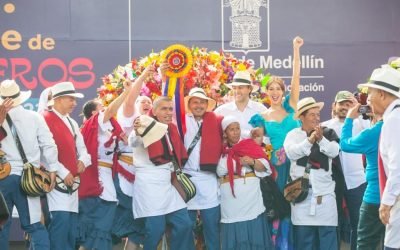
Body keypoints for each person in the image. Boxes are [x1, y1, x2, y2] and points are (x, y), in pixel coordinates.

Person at [249, 36, 303, 249]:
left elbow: (296, 76)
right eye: (270, 89)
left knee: (297, 207)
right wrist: (271, 153)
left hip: (297, 164)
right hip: (277, 169)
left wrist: (296, 49)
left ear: (283, 91)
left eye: (278, 89)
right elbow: (259, 145)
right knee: (279, 208)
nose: (274, 92)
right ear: (266, 93)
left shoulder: (292, 106)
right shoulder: (262, 117)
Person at [0, 79, 62, 250]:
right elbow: (49, 145)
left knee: (1, 227)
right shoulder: (34, 117)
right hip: (28, 177)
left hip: (3, 177)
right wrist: (53, 170)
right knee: (34, 226)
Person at [129, 97, 194, 250]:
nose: (168, 112)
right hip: (149, 185)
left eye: (171, 109)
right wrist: (137, 132)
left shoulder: (170, 129)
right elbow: (133, 142)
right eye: (164, 109)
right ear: (155, 111)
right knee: (155, 230)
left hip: (167, 184)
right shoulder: (145, 124)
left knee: (184, 224)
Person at [78, 79, 134, 250]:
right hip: (97, 183)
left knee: (97, 229)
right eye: (101, 107)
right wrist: (126, 93)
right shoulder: (94, 123)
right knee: (99, 227)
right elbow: (111, 110)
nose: (106, 110)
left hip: (105, 179)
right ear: (94, 113)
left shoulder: (105, 130)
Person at [284, 97, 340, 250]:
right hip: (301, 199)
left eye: (318, 114)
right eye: (312, 114)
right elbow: (291, 153)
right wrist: (309, 141)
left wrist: (321, 139)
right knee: (304, 244)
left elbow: (334, 151)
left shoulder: (327, 133)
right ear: (302, 117)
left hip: (325, 198)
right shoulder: (292, 135)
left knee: (328, 244)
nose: (316, 118)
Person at [42, 81, 91, 250]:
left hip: (72, 183)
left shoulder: (72, 122)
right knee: (60, 225)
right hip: (54, 181)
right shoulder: (44, 118)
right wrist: (64, 172)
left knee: (70, 228)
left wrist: (83, 161)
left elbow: (84, 150)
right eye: (71, 99)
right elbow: (45, 153)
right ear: (58, 99)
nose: (74, 103)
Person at [112, 65, 155, 250]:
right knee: (115, 224)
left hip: (145, 178)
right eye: (142, 100)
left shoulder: (157, 123)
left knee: (138, 227)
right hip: (125, 175)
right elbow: (129, 101)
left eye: (149, 101)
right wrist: (144, 76)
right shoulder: (129, 116)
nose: (146, 103)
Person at [358, 65, 400, 249]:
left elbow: (397, 166)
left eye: (371, 93)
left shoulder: (394, 120)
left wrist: (386, 202)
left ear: (382, 94)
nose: (368, 99)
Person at [217, 115, 273, 250]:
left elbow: (266, 167)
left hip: (251, 198)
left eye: (238, 128)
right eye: (231, 129)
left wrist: (252, 162)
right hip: (231, 202)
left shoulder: (249, 145)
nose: (236, 132)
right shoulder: (220, 150)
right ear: (225, 133)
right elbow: (218, 171)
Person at [322, 90, 369, 250]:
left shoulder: (361, 124)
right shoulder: (325, 127)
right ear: (334, 106)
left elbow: (372, 128)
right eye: (342, 104)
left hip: (357, 182)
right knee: (333, 223)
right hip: (332, 183)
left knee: (359, 223)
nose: (345, 107)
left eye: (349, 104)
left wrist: (358, 110)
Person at [339, 101, 385, 249]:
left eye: (370, 101)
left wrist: (350, 118)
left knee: (365, 244)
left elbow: (345, 144)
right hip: (394, 196)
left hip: (375, 197)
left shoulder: (372, 133)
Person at [183, 87, 222, 249]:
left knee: (212, 227)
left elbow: (235, 131)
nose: (198, 105)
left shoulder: (217, 121)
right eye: (195, 102)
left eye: (202, 102)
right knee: (186, 227)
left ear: (207, 104)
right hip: (187, 180)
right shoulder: (181, 121)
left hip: (209, 179)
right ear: (189, 104)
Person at [214, 69, 267, 139]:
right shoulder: (221, 111)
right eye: (234, 88)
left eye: (240, 88)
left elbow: (267, 136)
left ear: (249, 89)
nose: (237, 91)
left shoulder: (260, 110)